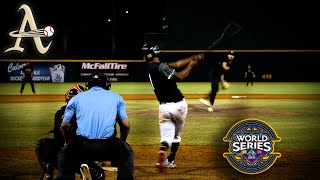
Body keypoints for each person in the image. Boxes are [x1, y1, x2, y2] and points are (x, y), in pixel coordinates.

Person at [57, 72, 134, 180]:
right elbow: (125, 125)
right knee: (127, 152)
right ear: (106, 84)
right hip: (108, 146)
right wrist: (123, 141)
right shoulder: (117, 98)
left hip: (81, 146)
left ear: (88, 84)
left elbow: (65, 126)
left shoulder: (76, 98)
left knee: (64, 154)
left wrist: (68, 142)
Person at [142, 42, 204, 170]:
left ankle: (163, 150)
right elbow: (180, 76)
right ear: (157, 53)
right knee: (176, 136)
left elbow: (176, 64)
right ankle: (170, 160)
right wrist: (192, 65)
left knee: (166, 136)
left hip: (163, 108)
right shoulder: (161, 67)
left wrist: (192, 57)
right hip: (179, 105)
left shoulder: (152, 68)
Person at [35, 84, 85, 180]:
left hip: (61, 155)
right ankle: (86, 169)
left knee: (42, 143)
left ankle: (48, 170)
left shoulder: (59, 113)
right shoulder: (86, 113)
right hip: (82, 153)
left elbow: (58, 137)